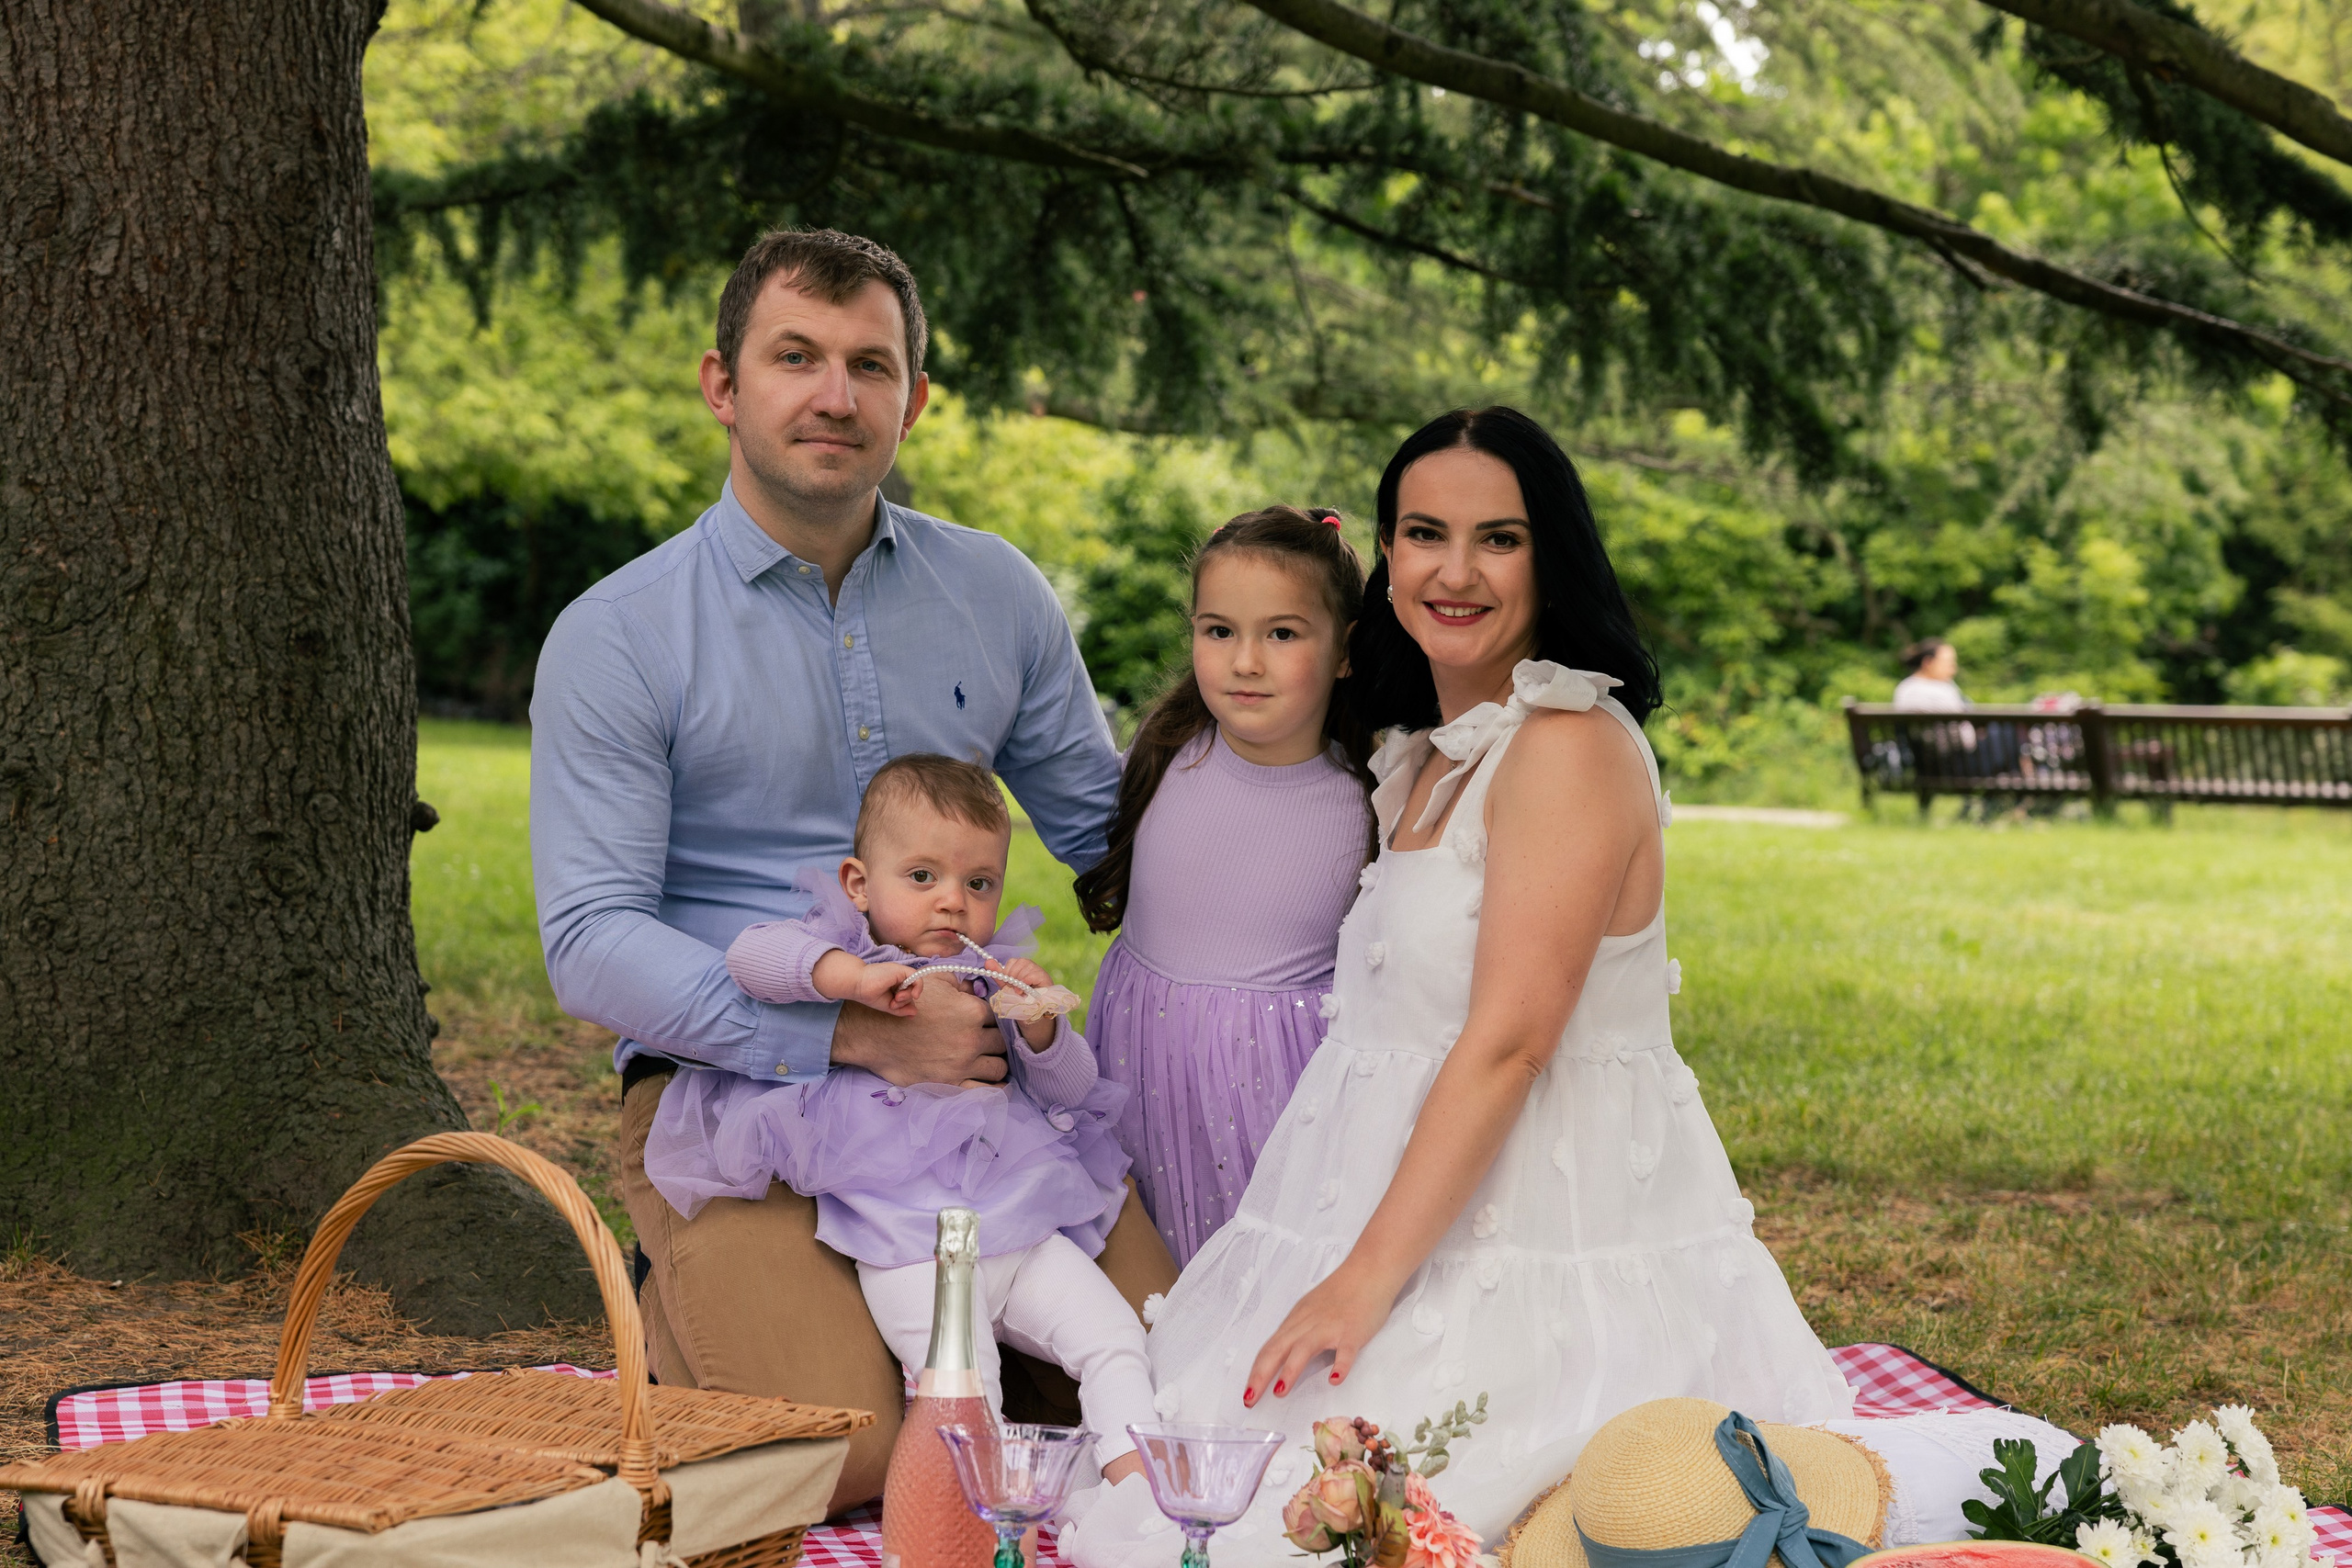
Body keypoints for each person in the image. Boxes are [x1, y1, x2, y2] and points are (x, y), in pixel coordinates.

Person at [1064, 408, 1854, 1563]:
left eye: (1499, 538)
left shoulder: (1567, 744)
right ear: (1385, 556)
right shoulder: (1423, 756)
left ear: (1553, 556)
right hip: (1380, 1188)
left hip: (1535, 1218)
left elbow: (1510, 1043)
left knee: (1335, 1514)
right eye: (1423, 534)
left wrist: (1361, 1283)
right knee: (1203, 1481)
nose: (1455, 570)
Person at [529, 228, 1176, 1516]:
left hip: (986, 1106)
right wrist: (851, 1035)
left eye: (870, 364)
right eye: (796, 356)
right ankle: (698, 1324)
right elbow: (591, 939)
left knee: (1177, 1370)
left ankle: (858, 1338)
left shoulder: (998, 593)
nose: (836, 394)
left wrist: (1307, 773)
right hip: (740, 1110)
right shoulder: (620, 632)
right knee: (870, 1453)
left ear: (914, 397)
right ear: (725, 383)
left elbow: (1117, 836)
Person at [642, 753, 1151, 1483]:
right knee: (967, 1389)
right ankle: (989, 1516)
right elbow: (750, 958)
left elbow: (1073, 1091)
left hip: (1022, 1228)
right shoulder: (849, 948)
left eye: (978, 883)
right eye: (923, 877)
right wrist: (848, 981)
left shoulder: (990, 974)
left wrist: (1042, 1030)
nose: (952, 902)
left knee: (1115, 1336)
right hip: (914, 1249)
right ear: (859, 884)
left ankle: (1134, 1491)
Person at [1071, 507, 1375, 1266]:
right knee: (1154, 1275)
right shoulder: (1166, 748)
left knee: (1257, 1276)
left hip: (1278, 1087)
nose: (1245, 661)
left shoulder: (1369, 795)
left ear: (1345, 649)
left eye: (1282, 633)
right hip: (1143, 1061)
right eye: (1218, 631)